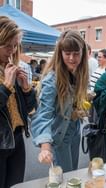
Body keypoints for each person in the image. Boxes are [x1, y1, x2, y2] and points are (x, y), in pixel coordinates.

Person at [31, 30, 89, 172]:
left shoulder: (79, 73)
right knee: (64, 178)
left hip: (74, 131)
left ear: (83, 53)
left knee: (72, 173)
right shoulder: (52, 79)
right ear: (60, 53)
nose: (71, 58)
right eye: (67, 53)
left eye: (76, 53)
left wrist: (77, 110)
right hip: (59, 136)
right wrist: (45, 147)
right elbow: (44, 113)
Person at [0, 16, 37, 188]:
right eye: (7, 46)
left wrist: (26, 88)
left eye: (15, 45)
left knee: (16, 185)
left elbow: (29, 108)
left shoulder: (10, 67)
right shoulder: (7, 75)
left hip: (17, 139)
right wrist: (6, 86)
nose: (13, 51)